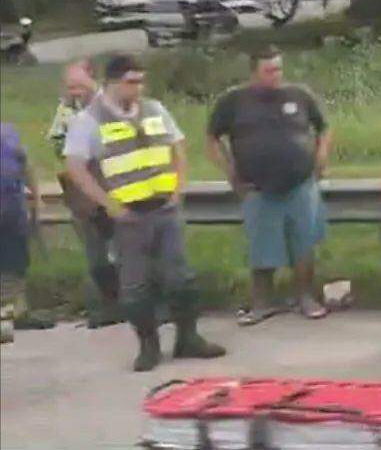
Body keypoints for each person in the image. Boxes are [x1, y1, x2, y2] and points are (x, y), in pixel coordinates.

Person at [64, 54, 225, 371]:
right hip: (128, 216)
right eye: (131, 82)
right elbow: (75, 166)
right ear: (111, 83)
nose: (138, 88)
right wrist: (107, 204)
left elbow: (178, 146)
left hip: (164, 208)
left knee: (181, 279)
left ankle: (188, 338)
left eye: (140, 81)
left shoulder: (155, 109)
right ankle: (148, 346)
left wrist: (177, 188)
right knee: (135, 286)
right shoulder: (90, 120)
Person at [207, 46, 333, 325]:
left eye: (278, 69)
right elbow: (212, 138)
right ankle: (261, 304)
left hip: (300, 183)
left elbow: (323, 127)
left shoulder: (299, 95)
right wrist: (229, 170)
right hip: (257, 187)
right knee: (262, 247)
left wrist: (321, 155)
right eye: (269, 70)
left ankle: (306, 298)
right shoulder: (233, 101)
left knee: (304, 244)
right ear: (254, 72)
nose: (276, 75)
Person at [47, 60, 121, 328]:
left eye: (79, 85)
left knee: (123, 248)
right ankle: (110, 305)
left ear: (93, 80)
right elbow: (57, 141)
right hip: (82, 186)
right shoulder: (66, 109)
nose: (74, 92)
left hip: (112, 178)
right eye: (70, 87)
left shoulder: (109, 105)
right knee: (95, 251)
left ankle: (136, 302)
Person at [1, 122, 55, 343]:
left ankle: (16, 312)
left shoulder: (7, 133)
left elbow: (25, 164)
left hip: (11, 208)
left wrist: (36, 195)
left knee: (16, 263)